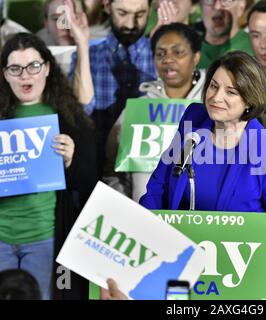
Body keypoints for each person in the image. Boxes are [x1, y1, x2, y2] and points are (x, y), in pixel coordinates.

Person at [101, 50, 266, 299]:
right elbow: (159, 186)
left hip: (242, 281)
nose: (216, 97)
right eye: (214, 86)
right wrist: (148, 230)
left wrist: (252, 240)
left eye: (231, 92)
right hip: (182, 271)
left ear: (249, 100)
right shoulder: (193, 120)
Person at [0, 33, 98, 300]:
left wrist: (70, 160)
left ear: (46, 68)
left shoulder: (67, 117)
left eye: (33, 66)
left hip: (44, 235)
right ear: (5, 74)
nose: (25, 76)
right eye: (15, 69)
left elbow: (88, 180)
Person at [104, 23, 205, 201]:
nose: (167, 59)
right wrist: (124, 206)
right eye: (160, 54)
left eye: (178, 52)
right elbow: (112, 168)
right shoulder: (136, 110)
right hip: (144, 219)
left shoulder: (212, 108)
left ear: (196, 57)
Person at [67, 0, 157, 172]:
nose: (131, 24)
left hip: (148, 167)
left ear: (150, 10)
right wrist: (82, 45)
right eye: (122, 13)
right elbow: (80, 111)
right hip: (97, 165)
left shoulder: (159, 54)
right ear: (107, 7)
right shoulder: (90, 54)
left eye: (140, 14)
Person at [197, 0, 254, 69]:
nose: (217, 7)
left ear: (241, 7)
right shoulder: (188, 47)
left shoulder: (257, 48)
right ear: (201, 5)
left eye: (226, 0)